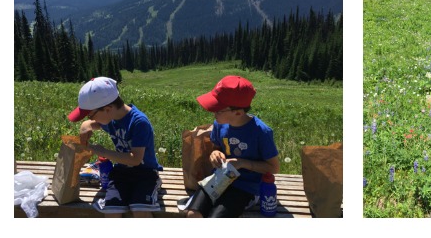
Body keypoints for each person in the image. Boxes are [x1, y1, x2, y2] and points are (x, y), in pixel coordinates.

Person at [183, 75, 279, 218]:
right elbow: (217, 148)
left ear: (238, 112)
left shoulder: (261, 132)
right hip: (219, 179)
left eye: (218, 110)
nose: (213, 113)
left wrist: (242, 163)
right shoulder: (219, 124)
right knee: (192, 214)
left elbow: (274, 168)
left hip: (247, 187)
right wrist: (215, 154)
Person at [67, 76, 162, 218]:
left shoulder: (139, 122)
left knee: (140, 210)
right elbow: (88, 125)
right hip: (121, 173)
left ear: (107, 109)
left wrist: (103, 151)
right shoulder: (110, 118)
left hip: (145, 173)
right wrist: (84, 129)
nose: (91, 119)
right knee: (111, 210)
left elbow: (135, 159)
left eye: (91, 115)